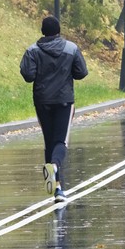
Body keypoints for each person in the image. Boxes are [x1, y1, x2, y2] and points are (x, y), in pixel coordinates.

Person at [20, 16, 88, 203]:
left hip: (42, 101)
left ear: (42, 31)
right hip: (64, 101)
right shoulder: (71, 49)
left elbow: (28, 75)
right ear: (59, 30)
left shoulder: (32, 51)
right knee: (61, 142)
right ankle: (56, 170)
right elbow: (81, 72)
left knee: (49, 141)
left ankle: (58, 188)